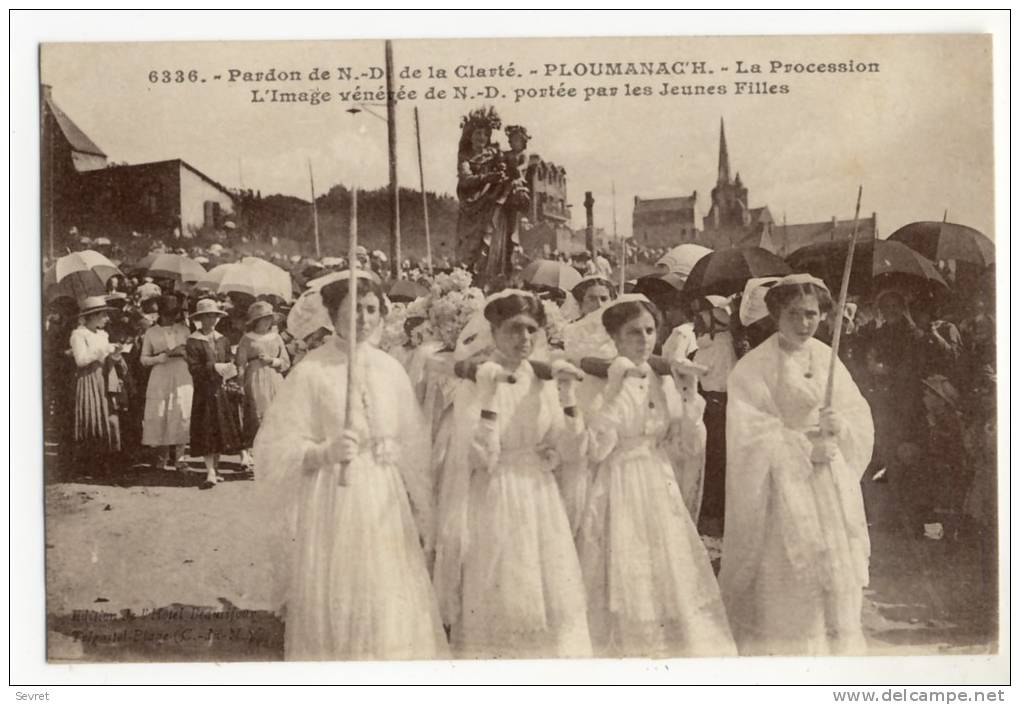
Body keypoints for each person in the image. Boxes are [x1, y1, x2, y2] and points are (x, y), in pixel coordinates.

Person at [254, 272, 445, 661]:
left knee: (387, 582)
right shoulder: (312, 371)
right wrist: (322, 452)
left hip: (384, 495)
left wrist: (395, 450)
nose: (363, 318)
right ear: (332, 313)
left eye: (371, 309)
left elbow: (412, 435)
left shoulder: (390, 368)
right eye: (353, 309)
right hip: (334, 493)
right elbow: (277, 447)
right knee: (343, 583)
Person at [720, 274, 874, 655]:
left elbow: (857, 412)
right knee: (791, 574)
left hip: (827, 481)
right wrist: (801, 448)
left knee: (834, 573)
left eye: (812, 314)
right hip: (783, 487)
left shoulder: (827, 357)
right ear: (775, 314)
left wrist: (840, 426)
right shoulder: (754, 367)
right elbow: (749, 433)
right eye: (794, 314)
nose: (804, 323)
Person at [434, 290, 592, 658]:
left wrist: (568, 399)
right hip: (496, 493)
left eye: (531, 330)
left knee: (548, 587)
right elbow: (480, 458)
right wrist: (489, 399)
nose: (524, 339)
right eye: (514, 329)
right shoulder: (478, 381)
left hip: (539, 494)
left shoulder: (543, 380)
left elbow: (569, 450)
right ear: (493, 331)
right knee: (502, 583)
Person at [576, 295, 733, 657]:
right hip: (618, 480)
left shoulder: (662, 380)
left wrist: (690, 398)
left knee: (667, 568)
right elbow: (595, 448)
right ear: (615, 338)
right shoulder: (601, 381)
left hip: (658, 481)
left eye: (649, 331)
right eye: (633, 333)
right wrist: (615, 391)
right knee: (623, 565)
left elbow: (685, 448)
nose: (644, 339)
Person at [186, 298, 243, 489]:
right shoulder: (193, 341)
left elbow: (228, 361)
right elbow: (194, 368)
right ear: (200, 319)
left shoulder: (222, 339)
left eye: (214, 316)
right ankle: (209, 471)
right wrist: (214, 367)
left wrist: (230, 371)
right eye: (207, 317)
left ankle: (216, 469)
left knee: (219, 429)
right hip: (204, 391)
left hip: (221, 390)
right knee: (206, 429)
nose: (211, 320)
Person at [69, 296, 124, 474]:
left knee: (109, 415)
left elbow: (106, 357)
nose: (107, 319)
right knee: (92, 416)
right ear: (92, 316)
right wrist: (103, 349)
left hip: (105, 375)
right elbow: (81, 360)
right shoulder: (79, 334)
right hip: (88, 377)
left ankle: (109, 458)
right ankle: (92, 462)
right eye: (103, 315)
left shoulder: (103, 334)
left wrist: (115, 354)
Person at [140, 296, 193, 471]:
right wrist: (161, 357)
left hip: (181, 372)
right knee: (160, 411)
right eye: (167, 314)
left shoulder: (184, 330)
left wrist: (183, 352)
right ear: (160, 314)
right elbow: (144, 359)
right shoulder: (151, 332)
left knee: (181, 410)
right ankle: (161, 458)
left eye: (174, 314)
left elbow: (193, 352)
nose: (171, 317)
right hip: (161, 373)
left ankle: (180, 458)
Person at [235, 301, 290, 469]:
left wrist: (272, 361)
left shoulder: (277, 337)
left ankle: (274, 457)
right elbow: (240, 363)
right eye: (263, 319)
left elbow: (286, 362)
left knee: (276, 417)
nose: (266, 322)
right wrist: (240, 380)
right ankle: (255, 456)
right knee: (256, 416)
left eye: (269, 319)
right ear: (255, 321)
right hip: (255, 377)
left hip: (274, 378)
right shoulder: (247, 339)